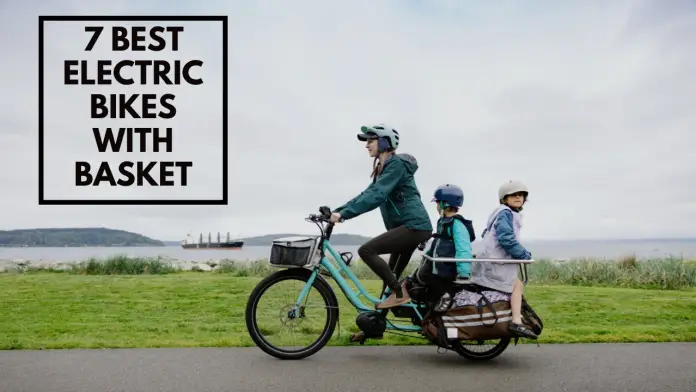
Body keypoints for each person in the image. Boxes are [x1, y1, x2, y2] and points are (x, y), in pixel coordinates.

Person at [331, 124, 433, 311]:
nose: (367, 145)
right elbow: (366, 194)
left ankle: (400, 293)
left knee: (367, 251)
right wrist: (337, 211)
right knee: (389, 280)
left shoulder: (396, 165)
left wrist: (343, 215)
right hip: (407, 228)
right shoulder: (383, 169)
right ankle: (375, 326)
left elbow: (377, 195)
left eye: (371, 140)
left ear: (384, 141)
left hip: (415, 226)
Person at [469, 180, 538, 339]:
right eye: (513, 195)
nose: (518, 197)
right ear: (504, 198)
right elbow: (506, 239)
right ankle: (516, 322)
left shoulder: (500, 213)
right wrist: (524, 255)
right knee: (516, 285)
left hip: (491, 262)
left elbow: (486, 234)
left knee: (517, 284)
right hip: (495, 264)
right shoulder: (505, 213)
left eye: (521, 195)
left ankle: (516, 319)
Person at [417, 184, 475, 303]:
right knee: (421, 275)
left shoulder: (457, 224)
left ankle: (446, 297)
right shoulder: (443, 221)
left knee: (427, 277)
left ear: (445, 204)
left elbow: (463, 249)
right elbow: (438, 242)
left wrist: (463, 273)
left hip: (448, 269)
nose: (437, 206)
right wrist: (428, 255)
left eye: (438, 203)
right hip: (439, 266)